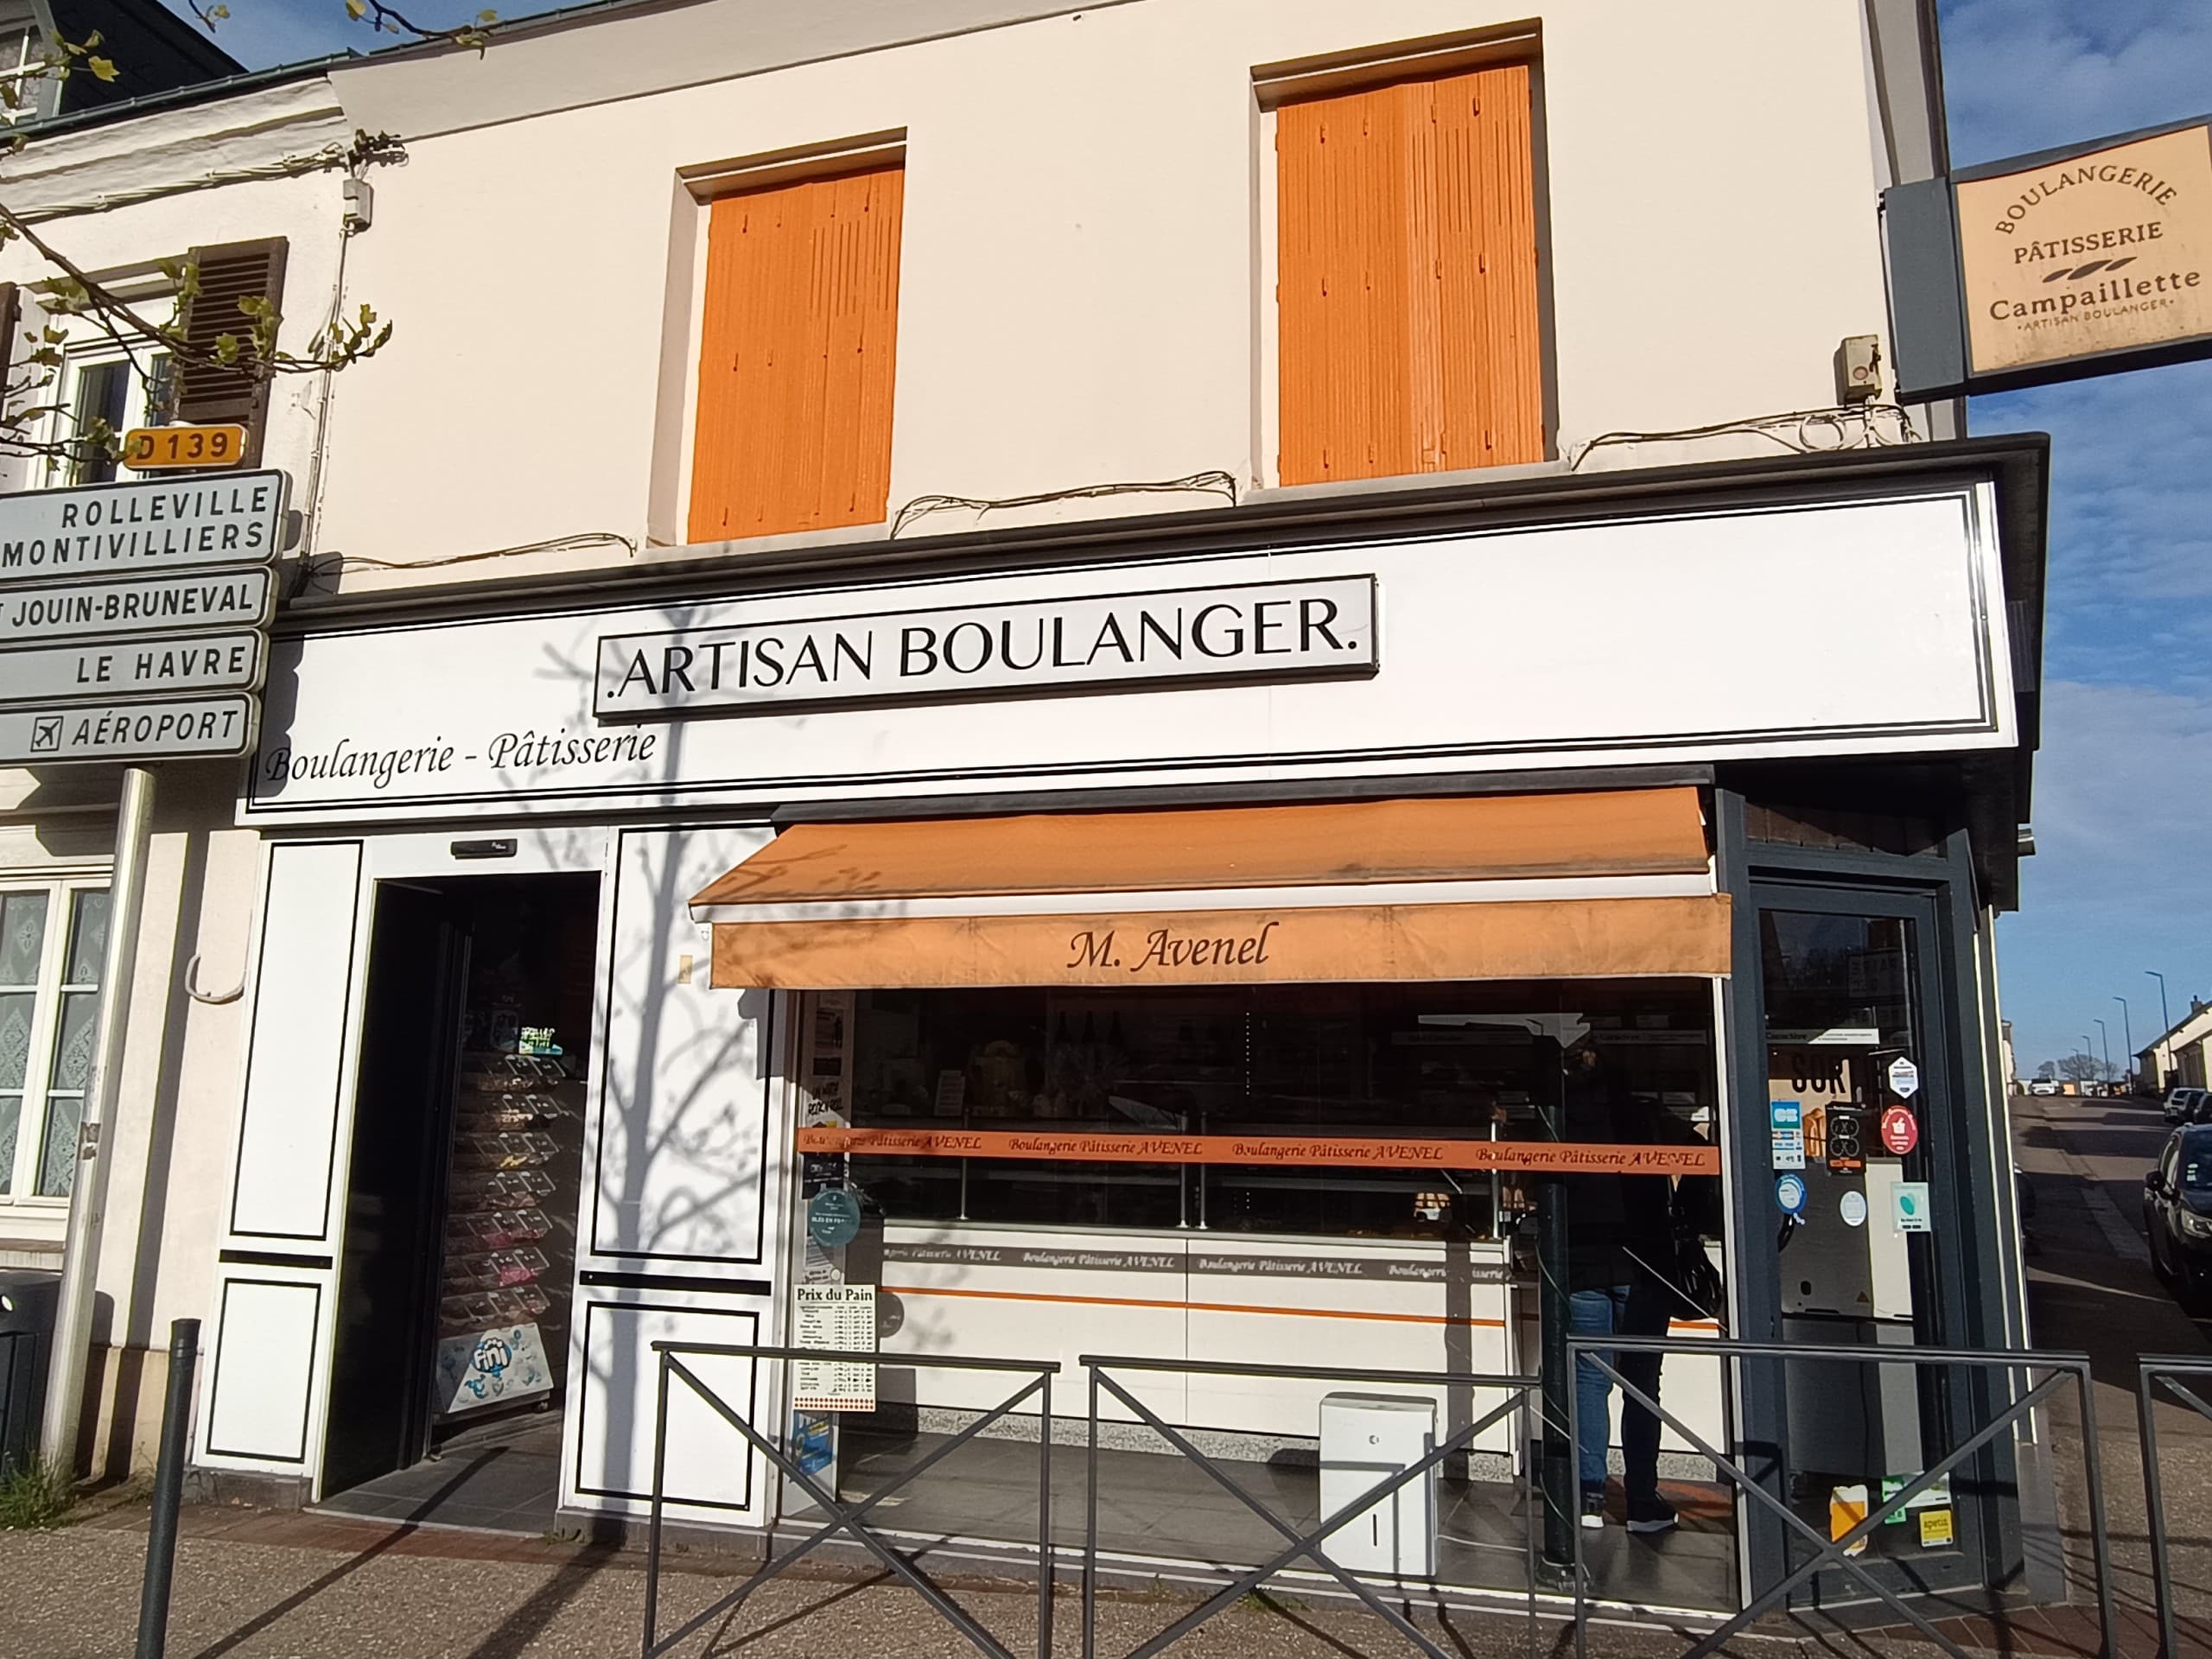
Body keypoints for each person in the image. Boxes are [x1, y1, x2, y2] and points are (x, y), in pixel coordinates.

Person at [1560, 1037, 1678, 1535]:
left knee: (1590, 1382)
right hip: (1644, 1265)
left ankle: (1588, 1496)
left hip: (1583, 1265)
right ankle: (1641, 1501)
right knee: (1640, 1384)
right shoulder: (1646, 1116)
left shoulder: (1559, 1120)